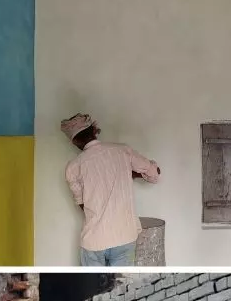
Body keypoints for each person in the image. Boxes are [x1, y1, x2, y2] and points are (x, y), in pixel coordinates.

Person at [62, 113, 161, 267]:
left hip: (93, 240)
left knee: (94, 286)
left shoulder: (73, 167)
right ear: (94, 129)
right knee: (120, 284)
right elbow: (154, 173)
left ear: (74, 142)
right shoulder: (122, 151)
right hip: (124, 236)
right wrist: (130, 173)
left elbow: (82, 205)